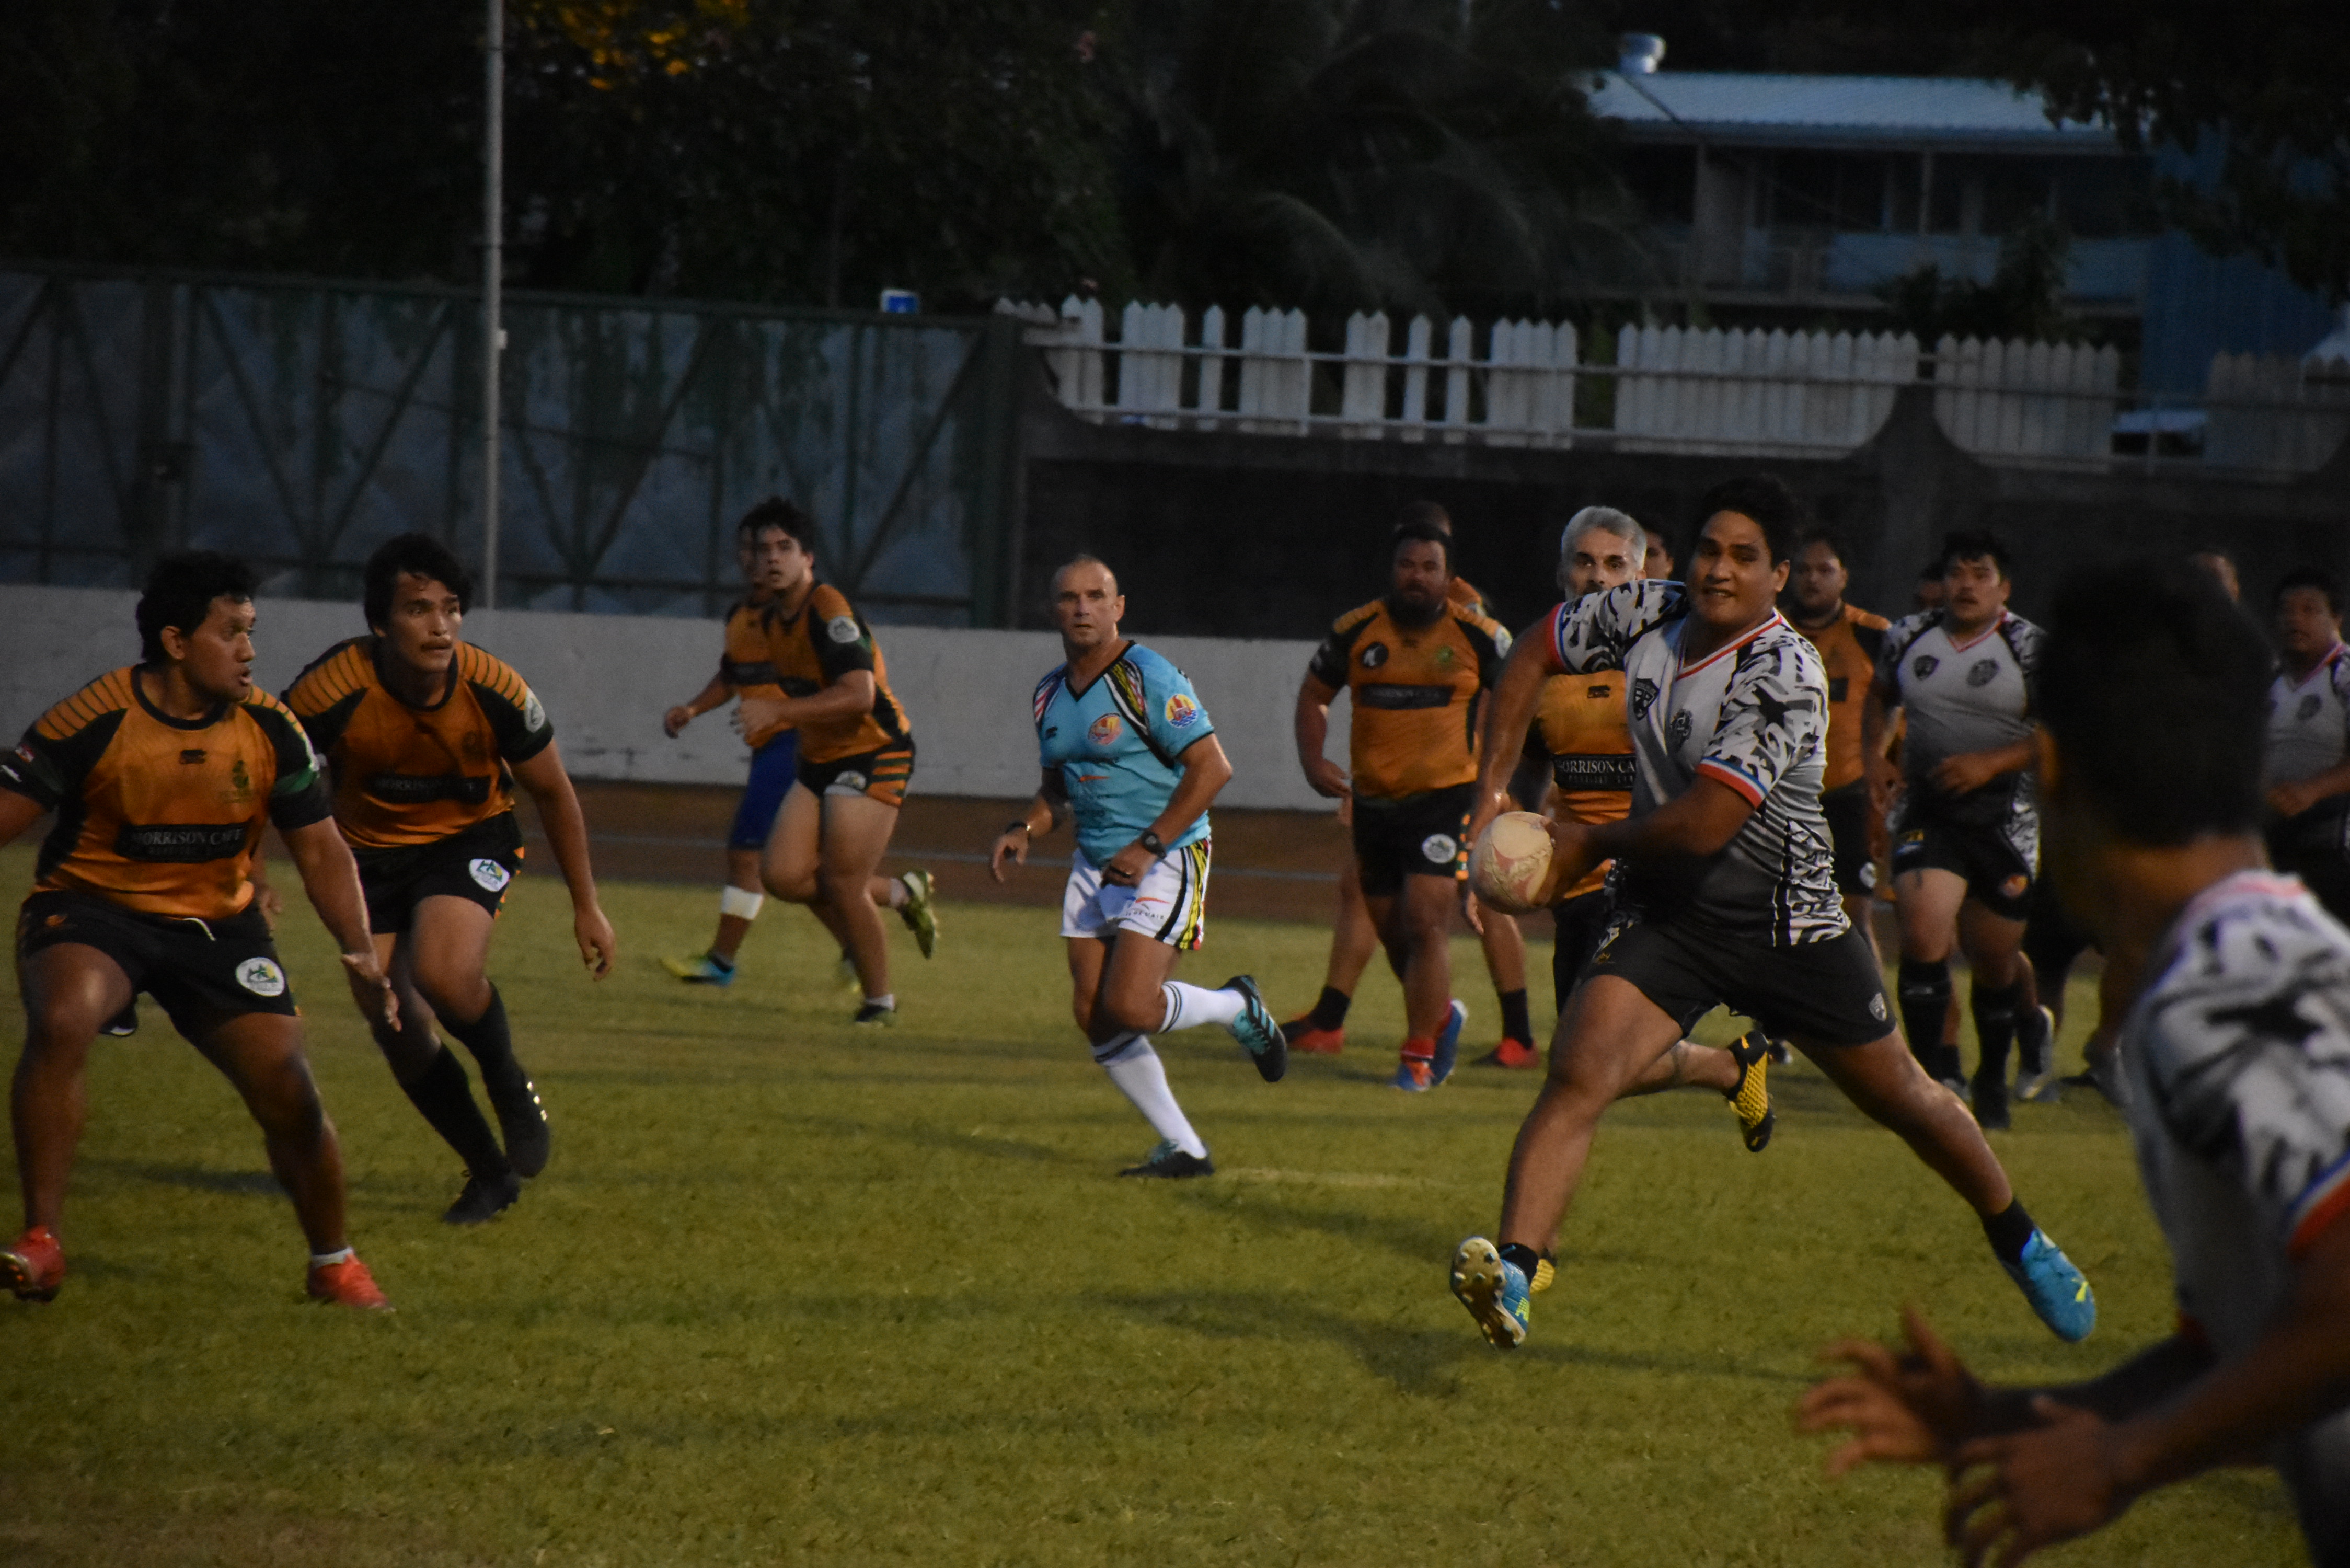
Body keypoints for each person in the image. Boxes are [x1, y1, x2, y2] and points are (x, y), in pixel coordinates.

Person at [1448, 476, 2094, 1353]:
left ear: (1778, 574)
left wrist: (1583, 846)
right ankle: (1515, 1275)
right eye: (1710, 549)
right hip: (1670, 914)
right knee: (1581, 1070)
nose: (1719, 570)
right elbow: (1532, 650)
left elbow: (1709, 819)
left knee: (1903, 1097)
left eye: (1743, 557)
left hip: (1790, 929)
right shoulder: (1645, 610)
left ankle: (2020, 1238)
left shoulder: (1782, 670)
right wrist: (1491, 788)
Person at [1801, 559, 2350, 1568]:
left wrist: (2121, 1460)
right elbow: (2248, 1353)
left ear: (2048, 769)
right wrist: (2008, 1418)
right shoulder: (2263, 959)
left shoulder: (2225, 993)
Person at [0, 552, 395, 1308]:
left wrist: (357, 949)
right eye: (231, 633)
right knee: (64, 1019)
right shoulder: (93, 719)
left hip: (219, 927)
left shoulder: (270, 728)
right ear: (177, 643)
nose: (249, 650)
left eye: (252, 632)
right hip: (94, 910)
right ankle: (43, 1241)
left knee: (291, 1091)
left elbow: (320, 847)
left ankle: (333, 1263)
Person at [284, 534, 616, 1224]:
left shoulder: (494, 688)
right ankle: (490, 1175)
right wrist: (248, 872)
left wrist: (588, 906)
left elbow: (555, 793)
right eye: (417, 609)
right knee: (394, 1021)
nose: (439, 626)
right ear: (380, 623)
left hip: (468, 840)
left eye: (451, 608)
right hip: (366, 860)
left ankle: (504, 1077)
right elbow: (264, 776)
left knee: (444, 974)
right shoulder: (329, 690)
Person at [988, 557, 1284, 1175]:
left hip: (1166, 855)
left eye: (1095, 596)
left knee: (1131, 1006)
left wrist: (1148, 845)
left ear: (1118, 607)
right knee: (1094, 1016)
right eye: (1068, 598)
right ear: (1054, 612)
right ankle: (1185, 1148)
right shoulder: (1047, 693)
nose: (1082, 608)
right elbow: (1058, 789)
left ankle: (1235, 1007)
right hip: (1096, 863)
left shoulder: (1144, 675)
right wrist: (1024, 829)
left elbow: (1213, 769)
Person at [1281, 501, 1536, 1068]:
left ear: (1448, 573)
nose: (1416, 575)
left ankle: (1422, 1055)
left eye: (1428, 564)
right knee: (1395, 931)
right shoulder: (1355, 631)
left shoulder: (1475, 627)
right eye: (1406, 563)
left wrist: (1493, 783)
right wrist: (1312, 760)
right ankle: (1437, 1018)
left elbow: (1518, 693)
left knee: (1429, 918)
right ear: (1391, 566)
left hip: (1448, 798)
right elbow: (1314, 694)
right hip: (1375, 803)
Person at [1866, 532, 2054, 1131]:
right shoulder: (1906, 636)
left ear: (2003, 586)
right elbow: (1880, 697)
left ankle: (1991, 1079)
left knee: (1994, 960)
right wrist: (1874, 756)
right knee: (1922, 935)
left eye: (1979, 573)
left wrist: (1990, 762)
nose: (1965, 584)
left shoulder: (2029, 648)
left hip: (2004, 819)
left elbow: (2062, 735)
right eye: (1956, 573)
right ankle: (1927, 1083)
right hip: (1929, 811)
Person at [730, 499, 938, 1025]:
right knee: (782, 876)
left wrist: (778, 710)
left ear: (808, 558)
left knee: (842, 884)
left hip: (874, 752)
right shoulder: (770, 619)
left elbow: (859, 694)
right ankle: (898, 892)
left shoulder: (827, 607)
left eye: (784, 549)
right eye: (762, 551)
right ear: (748, 562)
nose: (771, 560)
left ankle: (879, 1004)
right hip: (820, 757)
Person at [660, 504, 833, 986]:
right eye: (752, 549)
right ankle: (889, 911)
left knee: (746, 853)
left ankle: (721, 962)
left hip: (793, 745)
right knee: (796, 873)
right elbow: (735, 673)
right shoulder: (743, 616)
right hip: (769, 749)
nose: (759, 559)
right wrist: (693, 709)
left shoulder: (804, 615)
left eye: (775, 549)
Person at [1783, 527, 1892, 953]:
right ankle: (1773, 1020)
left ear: (1843, 576)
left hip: (1848, 794)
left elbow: (1895, 703)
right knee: (1780, 914)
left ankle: (1876, 1016)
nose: (1813, 579)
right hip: (1784, 795)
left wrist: (1879, 761)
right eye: (1805, 570)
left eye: (1824, 570)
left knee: (1854, 918)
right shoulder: (1770, 630)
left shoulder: (1873, 634)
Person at [2261, 567, 2350, 927]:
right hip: (2277, 843)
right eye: (2286, 610)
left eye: (2309, 609)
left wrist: (2312, 790)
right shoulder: (2266, 679)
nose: (2295, 619)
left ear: (2336, 618)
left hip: (2336, 847)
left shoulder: (2344, 675)